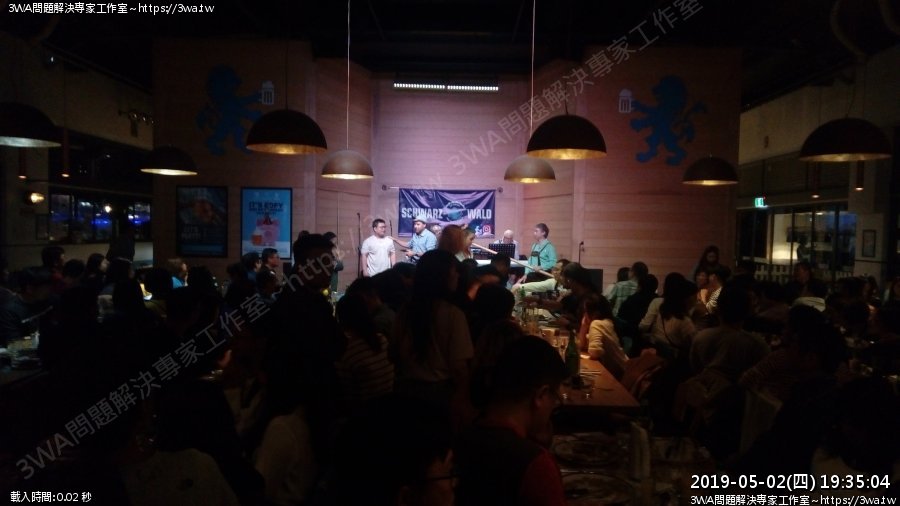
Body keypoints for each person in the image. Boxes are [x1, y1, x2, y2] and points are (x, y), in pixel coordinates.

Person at [454, 337, 568, 506]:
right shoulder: (535, 466)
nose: (553, 408)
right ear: (541, 395)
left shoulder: (458, 440)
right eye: (555, 400)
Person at [579, 293, 628, 379]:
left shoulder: (597, 324)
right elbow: (582, 346)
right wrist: (584, 326)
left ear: (595, 313)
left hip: (620, 375)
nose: (584, 314)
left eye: (586, 311)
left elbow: (595, 352)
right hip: (619, 369)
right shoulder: (607, 321)